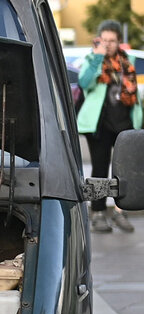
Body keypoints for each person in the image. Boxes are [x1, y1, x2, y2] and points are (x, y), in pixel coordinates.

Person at [78, 19, 141, 233]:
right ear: (98, 40)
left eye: (112, 41)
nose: (108, 44)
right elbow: (84, 82)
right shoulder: (92, 60)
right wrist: (97, 58)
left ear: (119, 42)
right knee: (100, 168)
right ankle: (97, 212)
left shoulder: (127, 62)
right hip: (100, 126)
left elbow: (135, 95)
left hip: (124, 125)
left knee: (125, 172)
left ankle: (118, 211)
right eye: (104, 40)